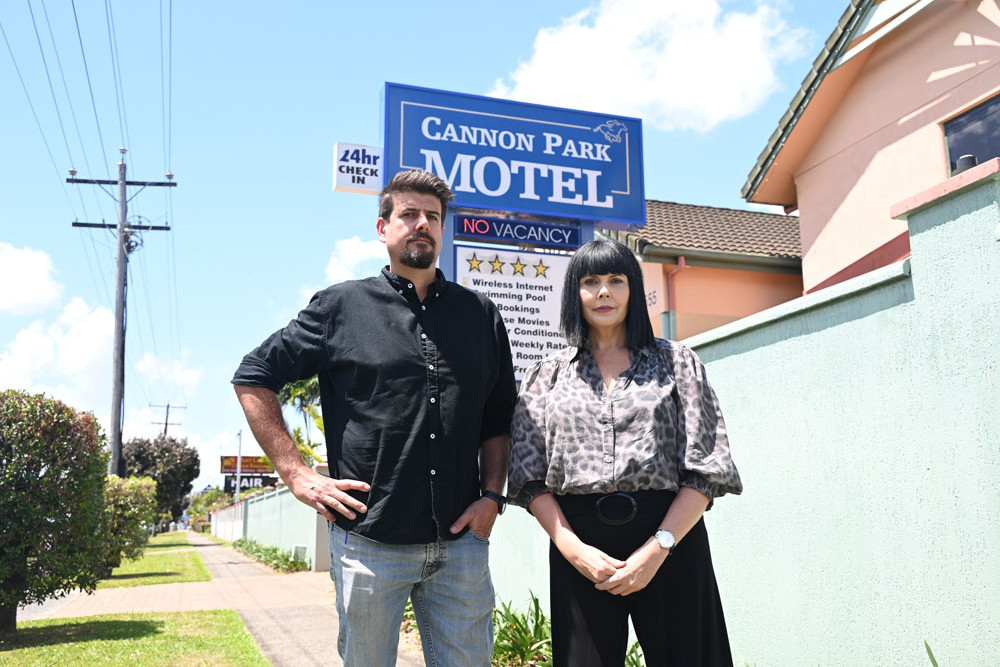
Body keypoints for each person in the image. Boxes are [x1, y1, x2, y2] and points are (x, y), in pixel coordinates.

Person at [232, 168, 517, 667]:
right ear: (383, 228)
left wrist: (492, 495)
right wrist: (295, 472)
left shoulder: (481, 315)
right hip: (369, 542)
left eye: (433, 216)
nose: (422, 224)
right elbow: (254, 374)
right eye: (409, 214)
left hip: (461, 545)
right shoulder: (341, 307)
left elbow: (497, 418)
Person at [507, 238, 742, 667]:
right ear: (573, 294)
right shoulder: (546, 376)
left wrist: (659, 547)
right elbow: (527, 477)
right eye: (590, 281)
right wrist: (571, 547)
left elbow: (707, 468)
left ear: (633, 289)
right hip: (579, 548)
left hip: (671, 540)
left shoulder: (678, 363)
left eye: (616, 280)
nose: (603, 292)